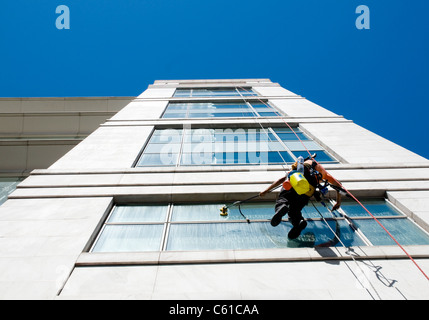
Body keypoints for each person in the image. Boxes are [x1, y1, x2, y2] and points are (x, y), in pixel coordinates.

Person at [259, 157, 343, 239]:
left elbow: (281, 180)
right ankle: (298, 222)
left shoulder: (301, 165)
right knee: (295, 209)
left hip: (297, 179)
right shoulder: (323, 172)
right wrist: (338, 202)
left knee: (284, 197)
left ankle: (281, 207)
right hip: (309, 188)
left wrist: (266, 191)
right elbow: (338, 185)